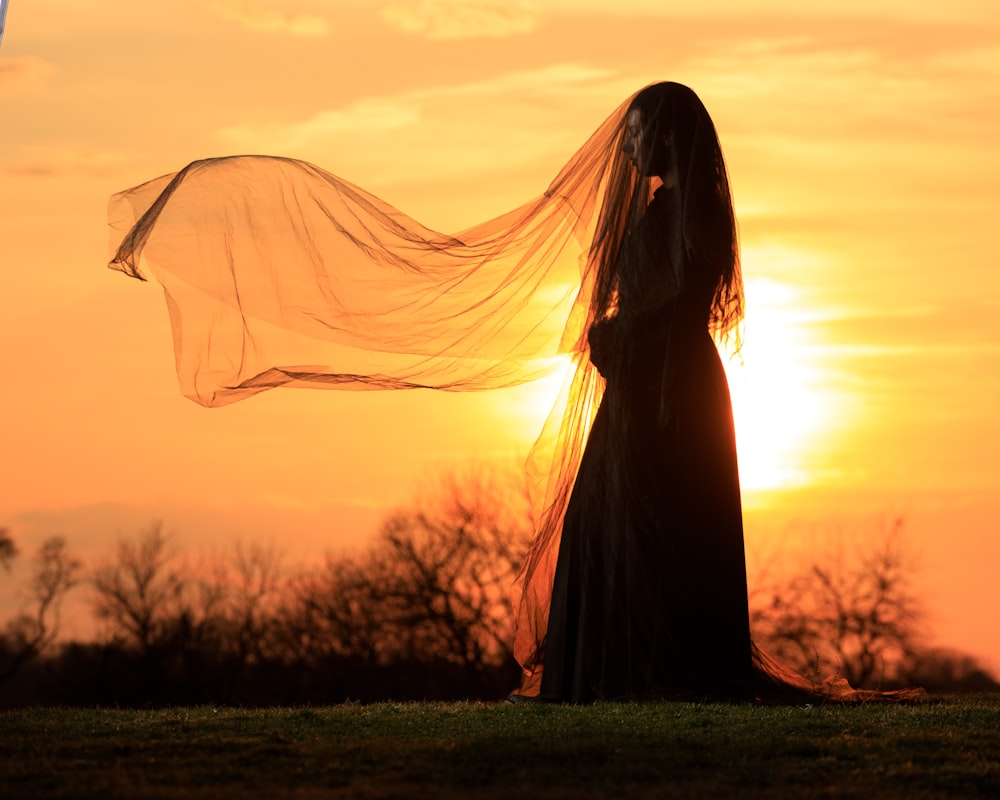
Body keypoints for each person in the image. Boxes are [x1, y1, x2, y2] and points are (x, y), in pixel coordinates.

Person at [108, 82, 920, 704]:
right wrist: (618, 337)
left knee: (658, 522)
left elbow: (672, 301)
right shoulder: (669, 209)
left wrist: (621, 339)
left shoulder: (686, 212)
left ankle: (653, 670)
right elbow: (648, 301)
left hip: (668, 389)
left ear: (667, 135)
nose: (626, 145)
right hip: (650, 384)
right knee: (623, 523)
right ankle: (618, 671)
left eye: (638, 132)